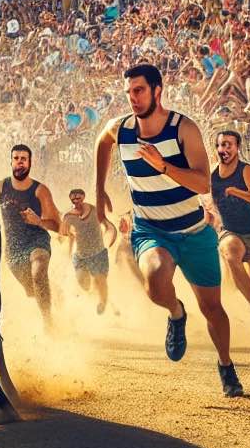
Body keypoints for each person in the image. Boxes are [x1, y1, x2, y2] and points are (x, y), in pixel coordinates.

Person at [92, 63, 242, 398]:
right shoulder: (122, 129)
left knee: (213, 309)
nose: (133, 98)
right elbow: (103, 142)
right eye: (129, 92)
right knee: (156, 281)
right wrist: (99, 189)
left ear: (158, 91)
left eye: (139, 90)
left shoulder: (182, 129)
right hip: (151, 231)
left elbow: (203, 181)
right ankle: (176, 313)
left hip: (193, 230)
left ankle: (226, 365)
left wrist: (162, 165)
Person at [206, 129, 250, 336]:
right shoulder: (212, 175)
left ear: (237, 148)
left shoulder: (245, 170)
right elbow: (211, 205)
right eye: (220, 145)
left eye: (228, 144)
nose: (223, 149)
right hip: (229, 230)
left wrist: (236, 191)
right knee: (231, 254)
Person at [0, 144, 61, 327]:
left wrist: (39, 221)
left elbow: (57, 225)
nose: (20, 163)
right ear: (11, 162)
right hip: (13, 250)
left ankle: (48, 322)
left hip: (37, 241)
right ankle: (59, 295)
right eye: (16, 159)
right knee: (33, 290)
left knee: (39, 270)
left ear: (30, 163)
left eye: (24, 159)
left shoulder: (40, 190)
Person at [57, 187, 113, 314]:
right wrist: (67, 250)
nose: (76, 200)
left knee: (100, 280)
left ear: (84, 197)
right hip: (81, 256)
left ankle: (102, 303)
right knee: (84, 283)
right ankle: (93, 294)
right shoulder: (68, 216)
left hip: (98, 253)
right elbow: (64, 235)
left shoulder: (94, 210)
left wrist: (103, 193)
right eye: (73, 198)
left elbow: (108, 216)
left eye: (78, 197)